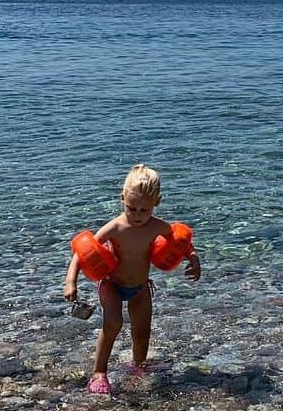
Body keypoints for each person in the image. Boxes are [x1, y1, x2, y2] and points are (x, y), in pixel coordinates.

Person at [63, 163, 200, 395]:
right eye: (131, 208)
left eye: (144, 210)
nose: (137, 215)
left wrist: (193, 258)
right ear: (122, 198)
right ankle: (99, 372)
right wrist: (71, 281)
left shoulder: (158, 226)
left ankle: (138, 366)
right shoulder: (115, 227)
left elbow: (181, 243)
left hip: (140, 287)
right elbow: (83, 252)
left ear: (156, 202)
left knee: (142, 329)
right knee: (113, 323)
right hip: (112, 285)